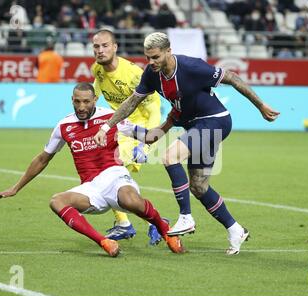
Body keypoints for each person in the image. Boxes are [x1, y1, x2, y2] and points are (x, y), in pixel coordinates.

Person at [94, 32, 280, 255]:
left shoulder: (191, 67)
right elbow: (138, 108)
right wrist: (110, 127)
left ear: (168, 51)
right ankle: (235, 229)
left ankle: (185, 217)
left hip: (216, 121)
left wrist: (260, 106)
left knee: (169, 157)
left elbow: (231, 77)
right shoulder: (155, 79)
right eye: (147, 58)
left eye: (155, 57)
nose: (151, 62)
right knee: (199, 187)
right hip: (195, 127)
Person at [0, 82, 184, 257]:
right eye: (77, 102)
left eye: (86, 102)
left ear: (95, 100)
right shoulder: (64, 126)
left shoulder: (110, 118)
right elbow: (43, 159)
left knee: (129, 200)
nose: (81, 107)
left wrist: (170, 120)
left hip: (115, 176)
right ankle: (104, 241)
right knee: (57, 201)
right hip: (90, 187)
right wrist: (15, 188)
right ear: (72, 100)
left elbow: (149, 137)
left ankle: (165, 230)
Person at [91, 29, 163, 245]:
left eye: (105, 45)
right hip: (117, 129)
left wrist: (147, 144)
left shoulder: (133, 74)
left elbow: (154, 108)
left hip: (137, 129)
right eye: (96, 46)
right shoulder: (98, 69)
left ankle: (153, 222)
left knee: (107, 176)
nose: (100, 50)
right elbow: (97, 88)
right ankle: (127, 224)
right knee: (104, 177)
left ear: (115, 47)